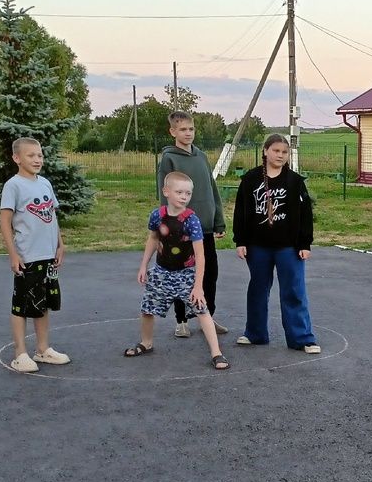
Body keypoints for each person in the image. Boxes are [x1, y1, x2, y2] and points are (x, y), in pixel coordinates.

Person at [123, 172, 229, 371]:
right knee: (147, 308)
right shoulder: (157, 215)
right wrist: (144, 265)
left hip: (186, 275)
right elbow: (153, 239)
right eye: (179, 192)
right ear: (166, 192)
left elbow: (201, 255)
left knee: (202, 310)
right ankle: (146, 343)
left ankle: (216, 353)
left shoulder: (191, 221)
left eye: (188, 193)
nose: (183, 197)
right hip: (162, 273)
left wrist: (198, 287)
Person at [232, 134, 321, 353]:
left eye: (284, 152)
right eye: (276, 151)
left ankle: (302, 338)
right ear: (265, 151)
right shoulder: (250, 180)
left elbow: (305, 214)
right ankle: (255, 333)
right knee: (258, 289)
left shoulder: (295, 181)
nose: (280, 155)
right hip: (257, 246)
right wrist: (241, 240)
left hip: (288, 247)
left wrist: (304, 244)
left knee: (293, 290)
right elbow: (241, 211)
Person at [0, 137, 70, 373]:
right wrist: (13, 254)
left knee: (43, 302)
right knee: (22, 304)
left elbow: (52, 216)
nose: (37, 159)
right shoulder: (14, 185)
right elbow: (5, 221)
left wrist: (60, 244)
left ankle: (43, 349)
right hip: (27, 256)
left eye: (39, 155)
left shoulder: (45, 184)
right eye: (31, 155)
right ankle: (20, 354)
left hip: (47, 255)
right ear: (17, 158)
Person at [157, 111, 228, 339]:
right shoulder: (169, 158)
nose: (188, 133)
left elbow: (211, 188)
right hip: (182, 230)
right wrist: (168, 225)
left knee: (209, 274)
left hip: (204, 228)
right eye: (183, 129)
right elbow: (165, 193)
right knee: (182, 275)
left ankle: (208, 315)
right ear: (173, 132)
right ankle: (181, 320)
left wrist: (218, 220)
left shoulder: (202, 157)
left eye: (191, 129)